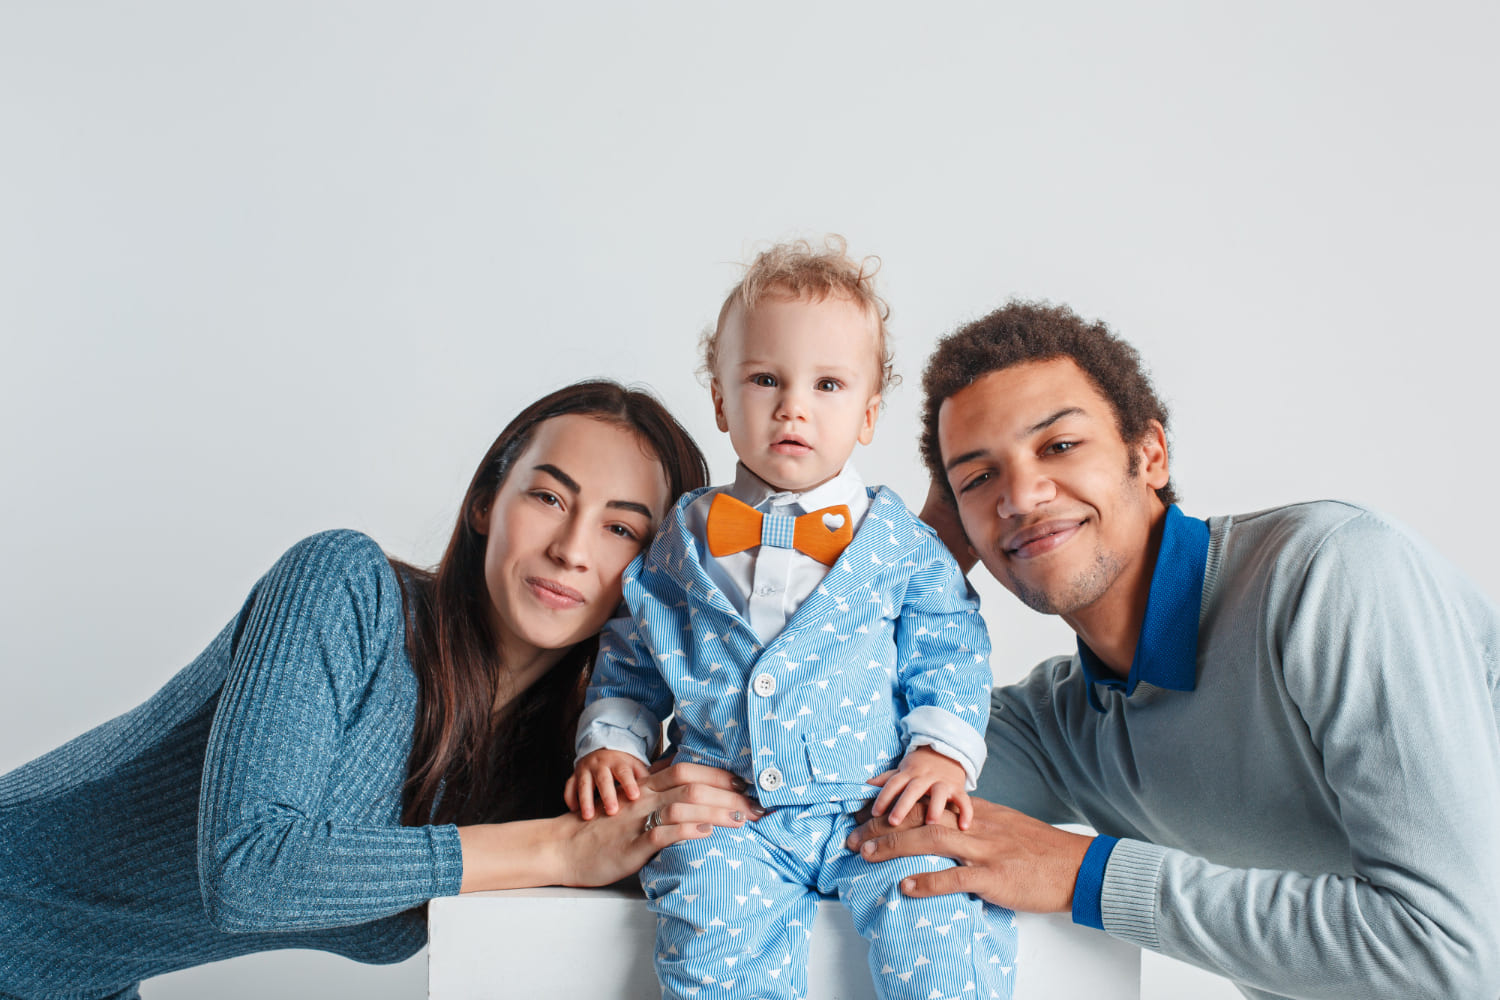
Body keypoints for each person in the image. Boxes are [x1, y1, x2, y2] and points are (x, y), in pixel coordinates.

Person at [0, 380, 760, 1000]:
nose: (570, 550)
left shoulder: (567, 767)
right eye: (550, 498)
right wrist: (560, 847)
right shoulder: (345, 589)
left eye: (621, 530)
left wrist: (876, 825)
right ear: (486, 503)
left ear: (658, 574)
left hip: (80, 983)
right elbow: (251, 871)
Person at [847, 301, 1500, 1000]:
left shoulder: (1332, 574)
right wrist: (916, 565)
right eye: (978, 480)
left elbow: (1453, 957)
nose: (1022, 495)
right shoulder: (1058, 728)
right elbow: (812, 758)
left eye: (1060, 446)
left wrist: (1084, 873)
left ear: (1149, 453)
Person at [568, 239, 1017, 1000]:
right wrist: (613, 742)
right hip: (730, 812)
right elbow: (634, 652)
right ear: (719, 400)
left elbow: (950, 648)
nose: (793, 407)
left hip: (874, 806)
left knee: (938, 905)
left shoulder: (901, 545)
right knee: (708, 918)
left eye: (829, 384)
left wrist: (940, 755)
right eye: (765, 379)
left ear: (869, 414)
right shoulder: (681, 539)